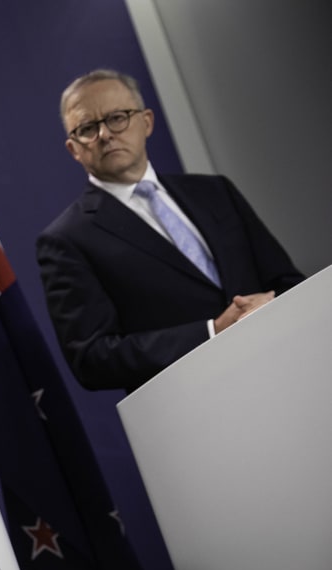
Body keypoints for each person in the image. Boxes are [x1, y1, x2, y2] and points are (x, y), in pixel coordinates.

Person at [36, 69, 304, 393]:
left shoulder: (215, 191)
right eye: (88, 129)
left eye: (117, 117)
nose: (105, 134)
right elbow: (92, 358)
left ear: (146, 122)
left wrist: (272, 304)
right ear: (73, 149)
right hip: (194, 405)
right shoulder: (67, 239)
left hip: (287, 369)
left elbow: (287, 282)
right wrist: (211, 330)